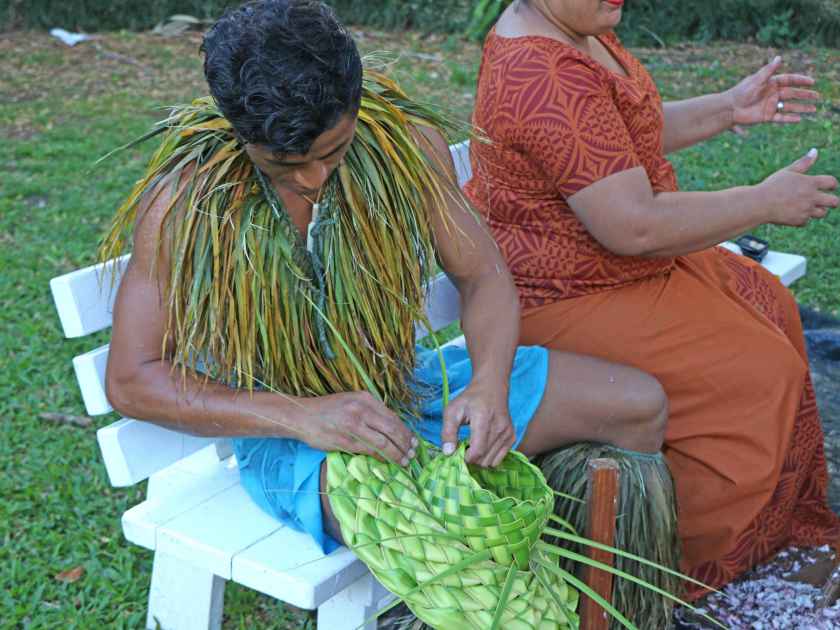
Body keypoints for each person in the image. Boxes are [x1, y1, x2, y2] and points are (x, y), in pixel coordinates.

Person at [101, 0, 669, 554]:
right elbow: (131, 379)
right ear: (241, 134)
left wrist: (489, 385)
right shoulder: (188, 205)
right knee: (432, 539)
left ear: (354, 103)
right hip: (293, 440)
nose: (314, 177)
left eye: (334, 150)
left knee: (638, 403)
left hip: (408, 391)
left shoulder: (407, 148)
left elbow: (484, 278)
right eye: (283, 164)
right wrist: (304, 416)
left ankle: (586, 588)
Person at [464, 0, 840, 597]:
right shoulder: (541, 73)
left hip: (616, 272)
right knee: (757, 372)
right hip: (562, 299)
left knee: (768, 302)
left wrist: (726, 108)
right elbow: (633, 225)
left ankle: (762, 539)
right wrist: (763, 201)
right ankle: (684, 565)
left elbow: (616, 135)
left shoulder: (573, 26)